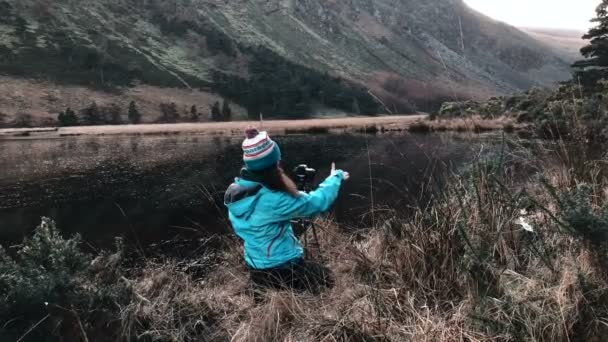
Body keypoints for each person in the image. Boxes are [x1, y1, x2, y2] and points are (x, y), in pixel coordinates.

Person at [224, 127, 349, 294]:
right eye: (277, 161)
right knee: (327, 278)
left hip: (255, 268)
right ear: (273, 163)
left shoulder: (236, 192)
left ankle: (264, 293)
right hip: (282, 270)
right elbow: (317, 202)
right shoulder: (274, 199)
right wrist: (335, 178)